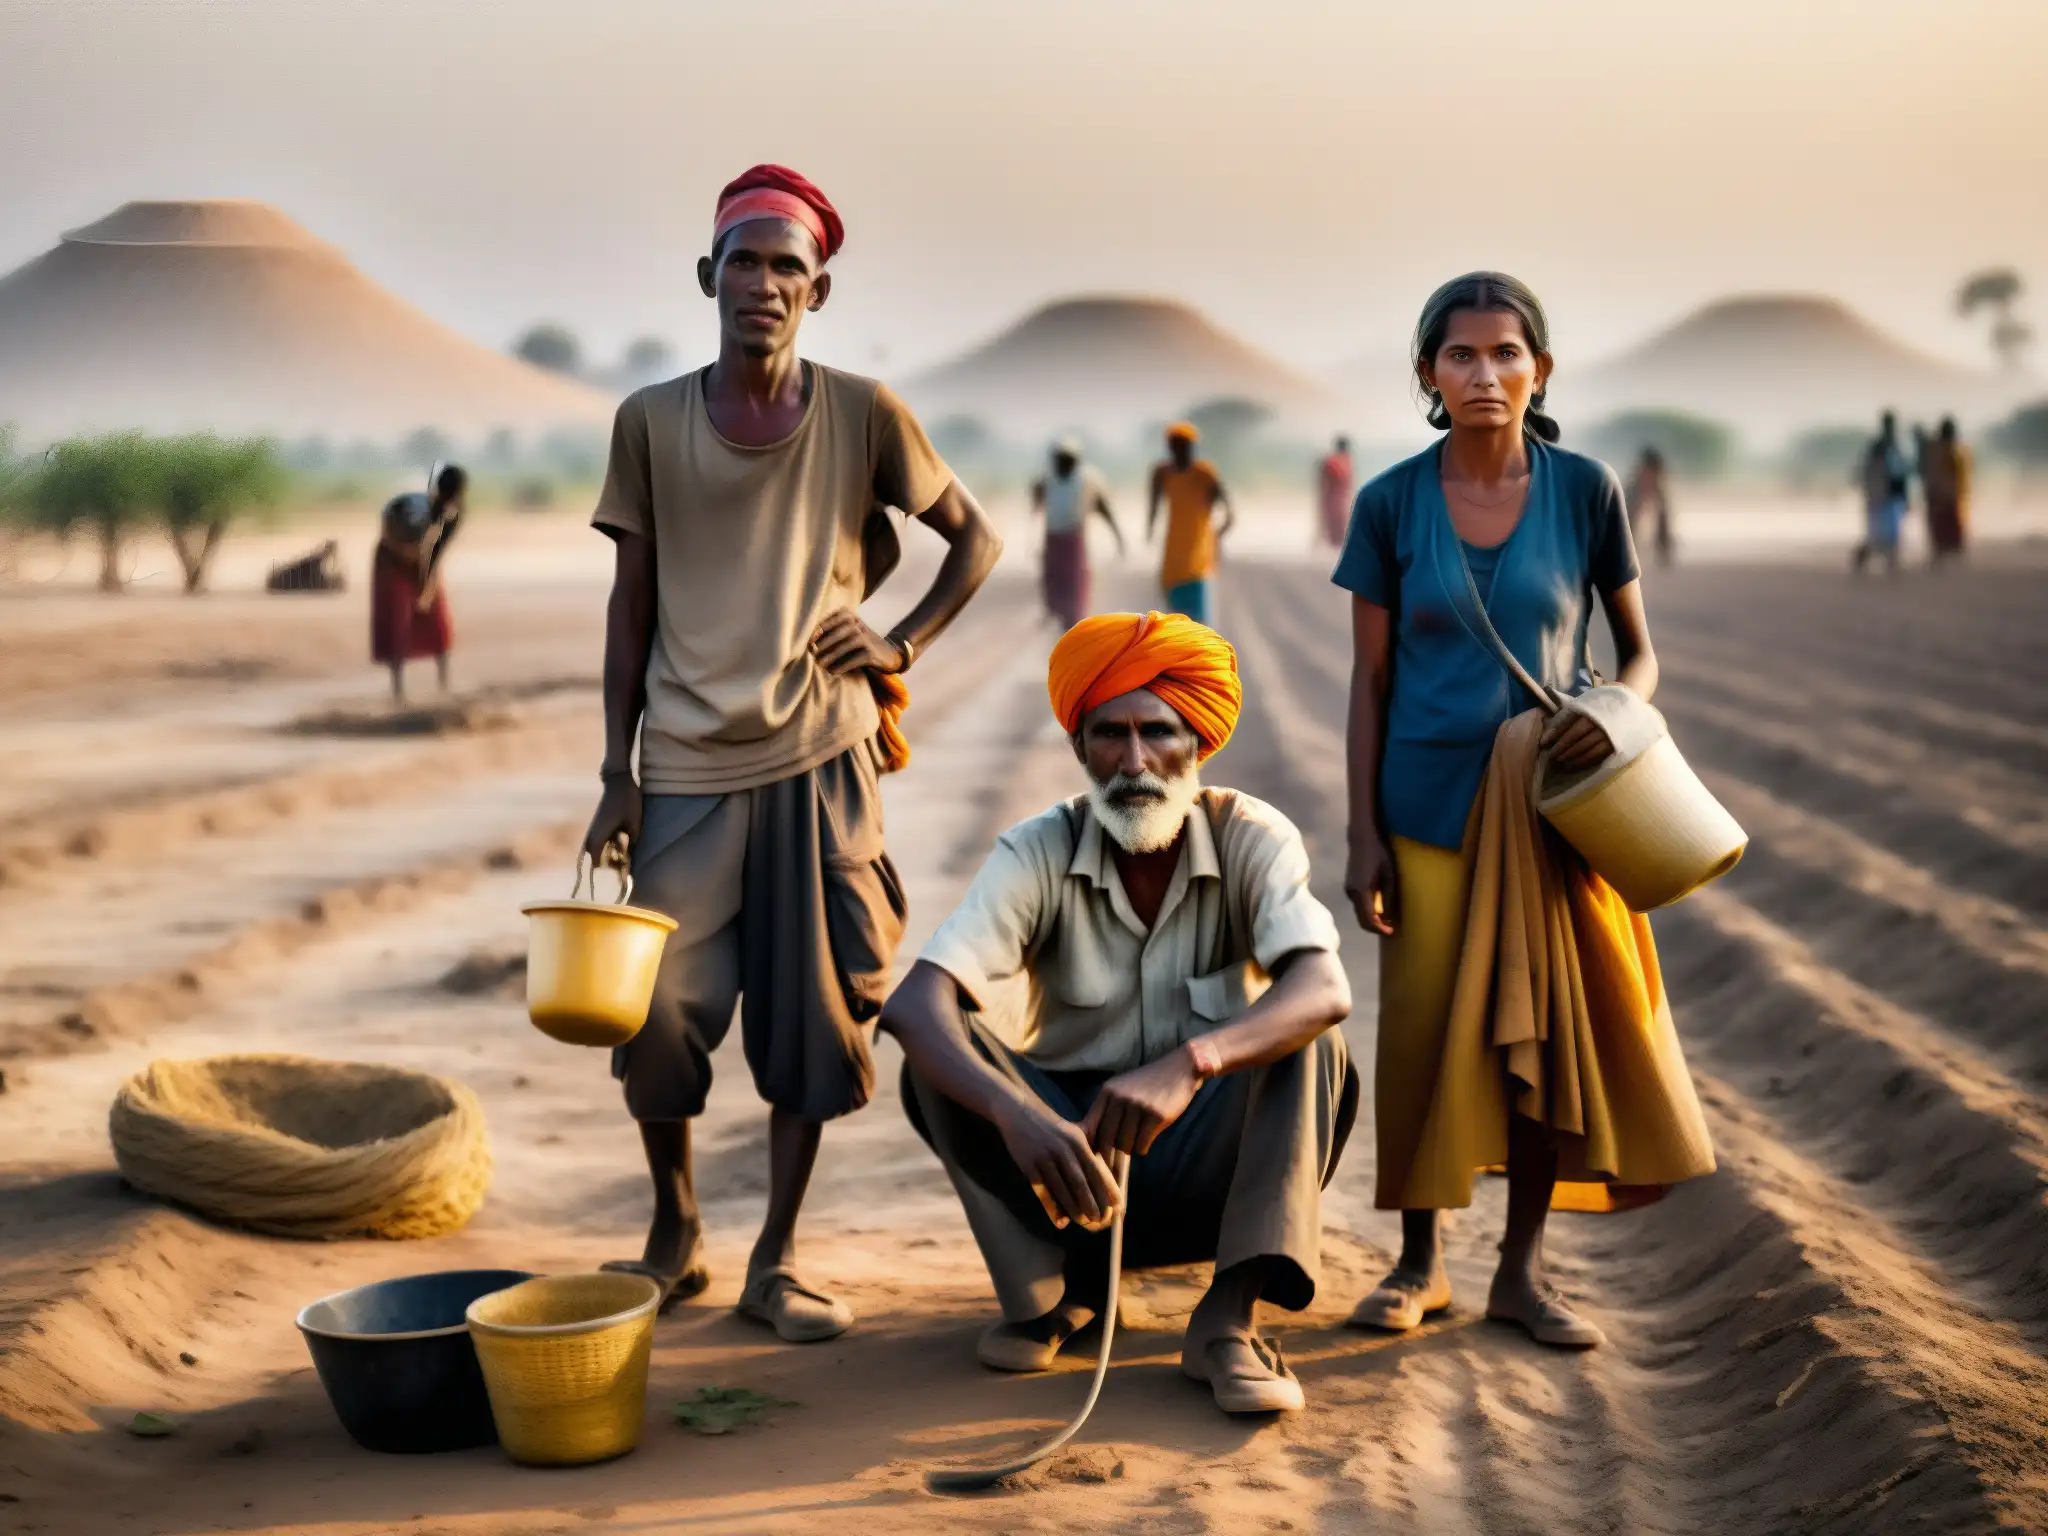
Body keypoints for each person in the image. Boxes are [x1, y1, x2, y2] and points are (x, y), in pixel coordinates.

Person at [580, 163, 1003, 1342]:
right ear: (706, 275)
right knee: (651, 1007)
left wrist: (897, 641)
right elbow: (630, 606)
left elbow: (973, 539)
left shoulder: (863, 413)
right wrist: (617, 770)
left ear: (816, 292)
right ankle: (677, 1228)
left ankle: (777, 1254)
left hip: (824, 751)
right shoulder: (650, 422)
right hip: (685, 766)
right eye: (745, 261)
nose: (762, 284)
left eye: (787, 267)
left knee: (816, 1016)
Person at [1335, 272, 1713, 1351]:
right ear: (1425, 375)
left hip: (1553, 815)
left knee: (1545, 1031)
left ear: (1538, 369)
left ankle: (1521, 1271)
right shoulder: (1388, 505)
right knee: (1417, 1037)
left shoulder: (1585, 491)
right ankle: (1417, 1266)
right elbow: (1367, 683)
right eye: (1460, 355)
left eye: (1506, 353)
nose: (1484, 373)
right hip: (1423, 810)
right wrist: (1361, 834)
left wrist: (1614, 709)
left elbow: (1638, 656)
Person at [883, 611, 1357, 1414]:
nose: (1134, 762)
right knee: (938, 1053)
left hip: (1205, 1159)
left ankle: (1227, 1324)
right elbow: (913, 1004)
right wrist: (1019, 1115)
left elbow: (1325, 988)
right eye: (1109, 735)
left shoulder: (1252, 836)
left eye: (1158, 732)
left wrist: (1191, 1063)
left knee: (1312, 1040)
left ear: (1197, 745)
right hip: (1069, 1167)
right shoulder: (1037, 848)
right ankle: (1060, 1292)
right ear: (1079, 747)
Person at [371, 464, 466, 699]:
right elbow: (388, 531)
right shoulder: (406, 509)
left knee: (436, 617)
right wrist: (406, 553)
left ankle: (444, 684)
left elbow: (435, 556)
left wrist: (427, 586)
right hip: (392, 557)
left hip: (421, 559)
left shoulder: (452, 517)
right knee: (396, 618)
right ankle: (398, 689)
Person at [1030, 438, 1122, 629]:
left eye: (1067, 459)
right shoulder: (1047, 480)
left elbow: (1103, 508)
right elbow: (1036, 505)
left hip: (1074, 539)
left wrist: (1118, 537)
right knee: (1054, 581)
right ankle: (1057, 613)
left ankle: (1073, 622)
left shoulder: (1087, 481)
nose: (1062, 464)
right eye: (1059, 459)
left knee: (1075, 584)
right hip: (1053, 537)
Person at [1148, 423, 1235, 626]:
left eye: (1184, 445)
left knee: (1200, 623)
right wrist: (1150, 528)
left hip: (1199, 556)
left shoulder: (1203, 473)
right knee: (1175, 622)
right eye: (1175, 445)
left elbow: (1228, 509)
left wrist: (1218, 533)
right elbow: (1153, 503)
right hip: (1173, 556)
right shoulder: (1163, 473)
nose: (1179, 450)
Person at [1854, 411, 1911, 575]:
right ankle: (1865, 558)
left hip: (1892, 495)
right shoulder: (1878, 447)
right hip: (1881, 495)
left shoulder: (1896, 446)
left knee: (1892, 534)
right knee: (1877, 534)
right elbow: (1870, 471)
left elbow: (1902, 474)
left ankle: (1892, 563)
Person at [1923, 416, 1971, 562]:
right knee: (1943, 527)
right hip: (1944, 495)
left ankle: (1942, 554)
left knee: (1942, 527)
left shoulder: (1941, 450)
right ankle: (1942, 554)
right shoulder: (1946, 451)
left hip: (1944, 495)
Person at [1626, 445, 1674, 568]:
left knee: (1662, 512)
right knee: (1630, 517)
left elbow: (1663, 519)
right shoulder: (1632, 489)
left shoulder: (1657, 488)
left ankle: (1663, 550)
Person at [1316, 435, 1355, 551]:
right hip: (1340, 497)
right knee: (1338, 523)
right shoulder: (1345, 462)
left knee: (1336, 523)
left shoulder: (1334, 462)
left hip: (1334, 497)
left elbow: (1324, 479)